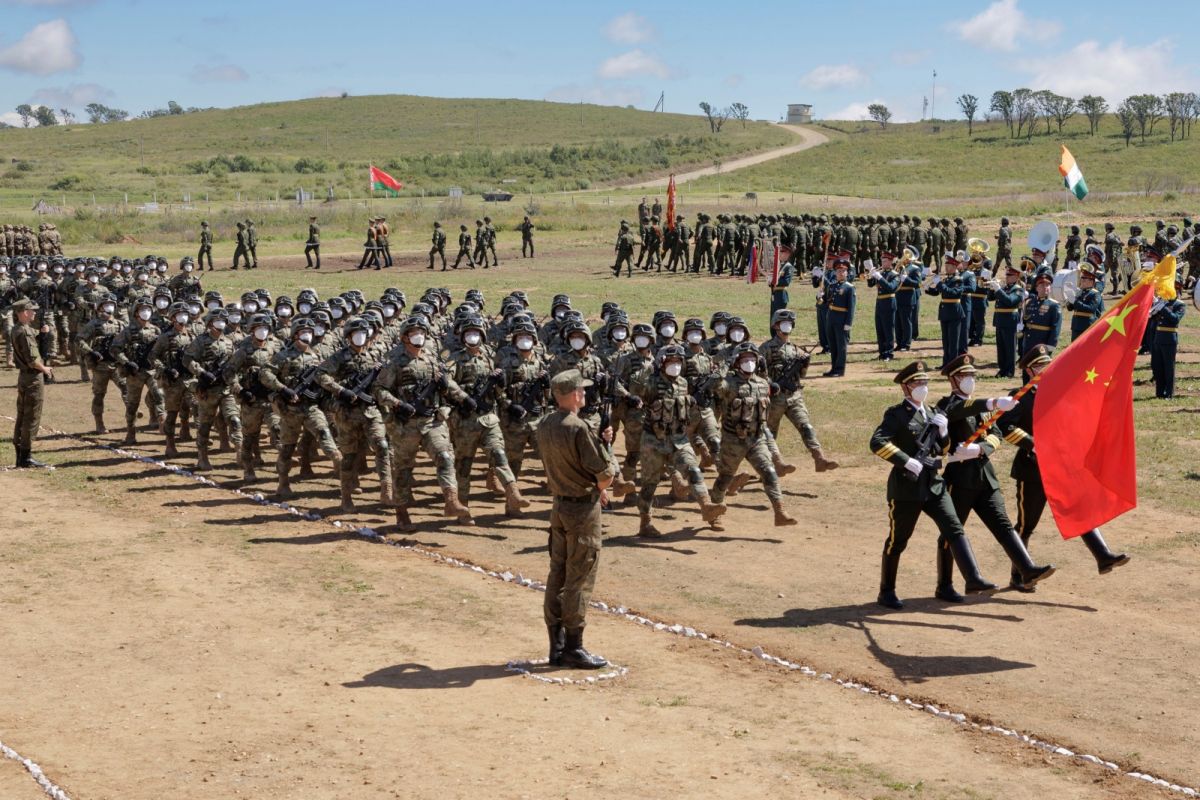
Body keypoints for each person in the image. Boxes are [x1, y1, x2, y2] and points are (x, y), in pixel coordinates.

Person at [996, 345, 1130, 589]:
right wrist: (1032, 444)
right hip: (1033, 469)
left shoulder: (1058, 392)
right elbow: (1004, 427)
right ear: (1028, 370)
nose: (1045, 369)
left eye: (1047, 364)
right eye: (1039, 366)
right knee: (1027, 524)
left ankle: (1103, 556)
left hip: (1060, 466)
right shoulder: (1020, 396)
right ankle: (1020, 574)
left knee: (1080, 510)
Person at [869, 360, 997, 609]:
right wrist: (905, 461)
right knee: (898, 540)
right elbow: (877, 442)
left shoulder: (932, 413)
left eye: (925, 382)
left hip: (934, 484)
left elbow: (943, 449)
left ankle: (968, 579)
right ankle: (887, 591)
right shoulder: (896, 414)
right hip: (907, 488)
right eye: (917, 383)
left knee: (954, 528)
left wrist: (945, 432)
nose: (922, 386)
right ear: (905, 387)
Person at [935, 354, 1055, 601]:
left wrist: (980, 448)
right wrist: (991, 402)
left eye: (972, 375)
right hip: (960, 480)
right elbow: (959, 411)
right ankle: (945, 585)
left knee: (1002, 524)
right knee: (952, 531)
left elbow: (996, 432)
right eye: (965, 376)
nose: (970, 380)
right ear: (953, 380)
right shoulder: (946, 405)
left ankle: (1026, 569)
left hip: (985, 477)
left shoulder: (979, 408)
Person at [538, 368, 614, 670]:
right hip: (583, 510)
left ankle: (555, 646)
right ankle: (574, 647)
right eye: (580, 390)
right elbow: (604, 476)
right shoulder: (578, 427)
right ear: (570, 394)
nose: (584, 394)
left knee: (557, 573)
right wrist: (606, 446)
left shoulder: (545, 423)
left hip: (559, 505)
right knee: (580, 577)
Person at [627, 345, 728, 535]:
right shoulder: (650, 381)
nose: (675, 366)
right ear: (662, 363)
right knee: (649, 485)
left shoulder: (683, 383)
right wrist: (648, 368)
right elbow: (634, 386)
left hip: (679, 439)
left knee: (694, 471)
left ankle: (707, 507)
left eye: (678, 362)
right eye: (671, 362)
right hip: (653, 441)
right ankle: (645, 523)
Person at [711, 343, 798, 526]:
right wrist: (726, 364)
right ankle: (715, 509)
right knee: (725, 477)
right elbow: (714, 384)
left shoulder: (762, 383)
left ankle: (780, 512)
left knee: (769, 472)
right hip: (733, 440)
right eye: (745, 360)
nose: (749, 363)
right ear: (737, 362)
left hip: (756, 439)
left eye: (752, 359)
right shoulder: (729, 383)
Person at [761, 309, 839, 472]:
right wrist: (771, 384)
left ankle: (819, 458)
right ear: (776, 326)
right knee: (769, 433)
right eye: (783, 323)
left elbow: (800, 375)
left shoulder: (796, 350)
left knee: (806, 427)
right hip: (774, 399)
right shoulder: (766, 348)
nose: (787, 326)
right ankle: (775, 464)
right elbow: (758, 374)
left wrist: (805, 363)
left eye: (789, 324)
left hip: (794, 397)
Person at [10, 298, 52, 467]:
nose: (34, 313)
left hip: (24, 377)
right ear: (25, 312)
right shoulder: (25, 332)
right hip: (33, 378)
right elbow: (33, 360)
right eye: (32, 310)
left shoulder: (18, 329)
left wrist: (42, 334)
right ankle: (26, 457)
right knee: (31, 416)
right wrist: (45, 369)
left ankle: (21, 454)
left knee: (22, 414)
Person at [1150, 275, 1186, 399]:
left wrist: (1163, 308)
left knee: (1168, 367)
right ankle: (1159, 392)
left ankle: (1169, 393)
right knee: (1157, 366)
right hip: (1158, 337)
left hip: (1169, 338)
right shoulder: (1162, 301)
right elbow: (1153, 319)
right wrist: (1154, 308)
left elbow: (1175, 319)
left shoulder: (1180, 305)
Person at [988, 264, 1024, 378]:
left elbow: (1010, 301)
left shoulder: (1018, 290)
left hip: (1010, 320)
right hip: (1000, 320)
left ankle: (1009, 371)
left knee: (1010, 347)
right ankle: (1002, 369)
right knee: (1001, 347)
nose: (1007, 277)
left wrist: (998, 289)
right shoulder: (1005, 288)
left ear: (1016, 277)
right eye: (1006, 274)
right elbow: (990, 298)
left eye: (1010, 275)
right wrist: (992, 288)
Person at [823, 253, 855, 377]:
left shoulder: (849, 288)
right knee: (833, 344)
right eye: (839, 271)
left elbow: (851, 308)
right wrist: (820, 297)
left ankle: (840, 369)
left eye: (843, 271)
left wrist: (848, 323)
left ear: (847, 273)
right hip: (831, 317)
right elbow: (826, 301)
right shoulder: (832, 286)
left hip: (842, 318)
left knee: (841, 345)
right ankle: (834, 367)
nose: (841, 273)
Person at [1019, 270, 1060, 355]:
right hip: (1028, 341)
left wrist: (1051, 345)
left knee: (1040, 367)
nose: (1045, 287)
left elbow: (1055, 328)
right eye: (1042, 285)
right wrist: (1019, 326)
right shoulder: (1029, 302)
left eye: (1048, 285)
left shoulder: (1054, 305)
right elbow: (1024, 320)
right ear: (1037, 288)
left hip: (1043, 343)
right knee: (1026, 366)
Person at [867, 252, 899, 360]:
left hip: (889, 302)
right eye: (882, 261)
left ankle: (889, 353)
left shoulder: (894, 274)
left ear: (890, 262)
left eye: (885, 261)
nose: (883, 263)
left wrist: (879, 277)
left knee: (888, 329)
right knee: (880, 329)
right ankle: (882, 352)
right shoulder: (881, 273)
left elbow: (891, 287)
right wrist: (870, 275)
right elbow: (870, 284)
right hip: (879, 303)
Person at [1066, 260, 1104, 341]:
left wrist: (1076, 301)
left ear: (1091, 281)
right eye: (1082, 278)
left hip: (1087, 326)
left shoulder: (1095, 294)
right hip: (1076, 325)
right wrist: (1069, 300)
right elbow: (1070, 308)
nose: (1082, 280)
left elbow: (1091, 308)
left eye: (1084, 278)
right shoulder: (1079, 292)